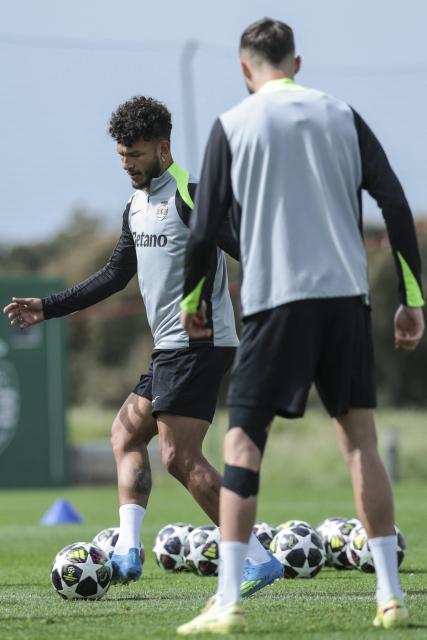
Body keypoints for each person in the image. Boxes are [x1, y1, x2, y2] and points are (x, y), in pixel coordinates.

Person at [178, 17, 425, 635]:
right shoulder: (342, 113)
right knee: (361, 442)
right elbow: (395, 203)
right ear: (296, 62)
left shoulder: (232, 125)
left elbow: (205, 226)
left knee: (242, 443)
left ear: (244, 68)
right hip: (346, 299)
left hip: (273, 302)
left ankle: (229, 600)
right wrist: (412, 298)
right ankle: (390, 597)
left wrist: (194, 298)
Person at [3, 95, 278, 594]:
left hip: (199, 343)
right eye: (121, 156)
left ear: (163, 147)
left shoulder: (192, 194)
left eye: (135, 155)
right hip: (168, 349)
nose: (127, 165)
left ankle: (257, 557)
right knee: (126, 436)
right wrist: (49, 307)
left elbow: (250, 250)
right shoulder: (135, 205)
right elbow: (114, 275)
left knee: (178, 458)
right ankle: (129, 551)